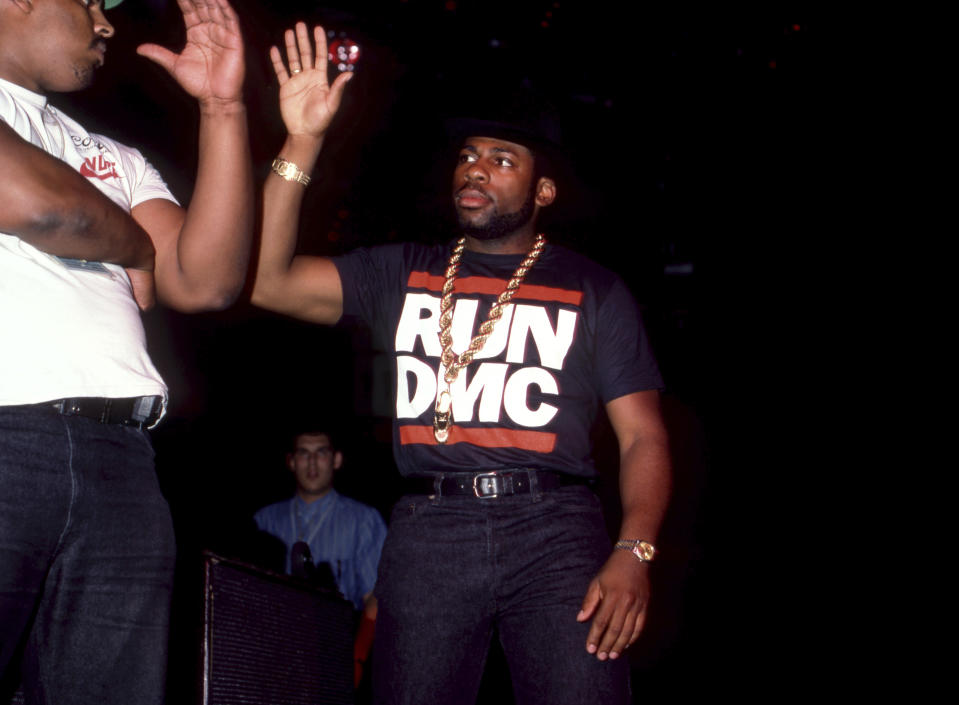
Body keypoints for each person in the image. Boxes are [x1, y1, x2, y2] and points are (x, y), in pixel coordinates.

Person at [251, 23, 671, 705]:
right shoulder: (400, 270)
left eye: (502, 159)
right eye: (469, 155)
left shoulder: (593, 288)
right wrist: (302, 140)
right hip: (429, 530)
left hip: (555, 530)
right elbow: (267, 282)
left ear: (543, 192)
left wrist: (634, 550)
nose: (475, 167)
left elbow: (643, 435)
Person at [0, 0, 253, 702]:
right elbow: (39, 204)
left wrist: (223, 110)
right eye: (87, 1)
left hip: (121, 457)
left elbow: (204, 280)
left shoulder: (112, 155)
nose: (106, 23)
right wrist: (137, 243)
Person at [253, 429, 387, 686]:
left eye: (321, 453)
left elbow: (376, 599)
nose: (312, 463)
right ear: (291, 462)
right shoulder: (264, 521)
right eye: (304, 454)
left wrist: (356, 660)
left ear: (336, 460)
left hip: (337, 647)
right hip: (276, 649)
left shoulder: (364, 520)